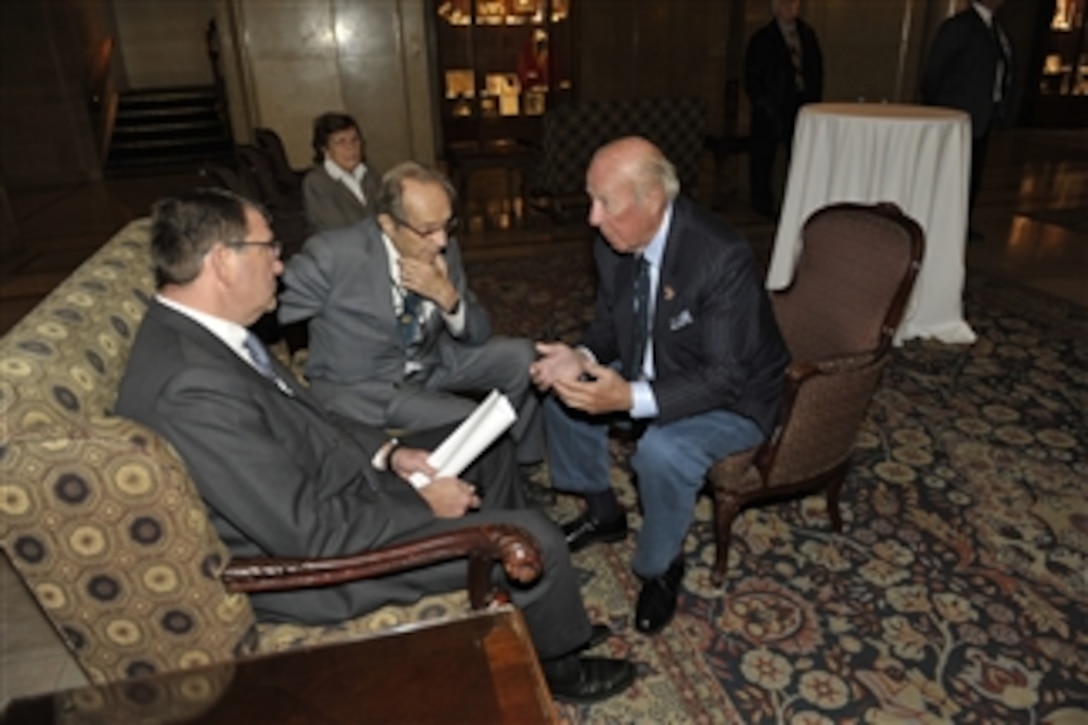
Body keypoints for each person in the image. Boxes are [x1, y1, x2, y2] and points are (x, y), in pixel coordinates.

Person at [114, 187, 635, 704]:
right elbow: (308, 533)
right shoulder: (191, 386)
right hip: (320, 566)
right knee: (534, 536)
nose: (279, 265)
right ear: (223, 262)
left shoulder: (209, 336)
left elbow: (309, 417)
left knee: (488, 447)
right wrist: (420, 501)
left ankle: (531, 608)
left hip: (334, 487)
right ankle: (557, 663)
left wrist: (389, 453)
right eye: (269, 248)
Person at [530, 137, 790, 635]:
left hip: (733, 398)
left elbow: (724, 376)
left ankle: (660, 567)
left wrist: (627, 398)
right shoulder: (616, 241)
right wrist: (579, 357)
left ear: (652, 199)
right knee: (561, 389)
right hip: (654, 372)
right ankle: (603, 513)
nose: (592, 217)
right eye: (591, 199)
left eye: (605, 202)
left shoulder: (719, 256)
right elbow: (609, 325)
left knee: (663, 452)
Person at [278, 162, 551, 505]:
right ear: (387, 223)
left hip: (431, 360)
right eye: (427, 230)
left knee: (521, 356)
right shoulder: (334, 255)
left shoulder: (442, 247)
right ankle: (489, 499)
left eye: (447, 225)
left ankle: (521, 464)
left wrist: (449, 299)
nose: (441, 241)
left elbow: (478, 334)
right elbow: (267, 304)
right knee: (472, 424)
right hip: (367, 387)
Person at [921, 0, 1012, 243]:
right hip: (957, 115)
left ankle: (961, 224)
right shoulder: (960, 27)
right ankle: (940, 223)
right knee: (951, 174)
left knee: (972, 175)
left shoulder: (996, 29)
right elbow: (934, 71)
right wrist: (939, 112)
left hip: (982, 116)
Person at [743, 0, 823, 219]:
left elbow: (815, 70)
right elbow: (753, 79)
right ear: (775, 7)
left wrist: (813, 101)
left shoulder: (807, 35)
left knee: (797, 157)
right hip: (772, 106)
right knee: (764, 158)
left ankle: (794, 202)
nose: (792, 8)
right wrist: (766, 105)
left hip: (801, 105)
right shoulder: (762, 39)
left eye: (796, 3)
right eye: (787, 4)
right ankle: (763, 205)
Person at [302, 112, 381, 233]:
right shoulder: (317, 182)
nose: (350, 147)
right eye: (341, 142)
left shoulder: (370, 174)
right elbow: (337, 228)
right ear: (325, 149)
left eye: (355, 140)